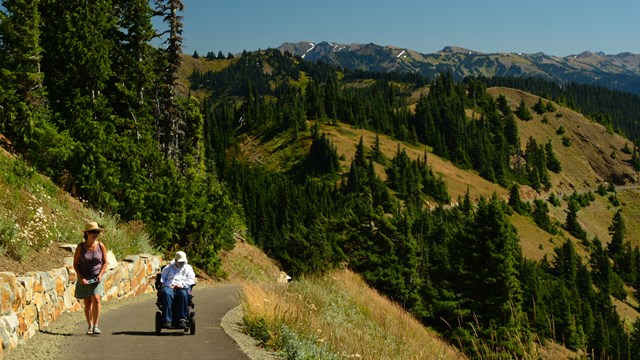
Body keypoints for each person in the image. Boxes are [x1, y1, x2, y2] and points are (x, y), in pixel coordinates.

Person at [73, 221, 108, 335]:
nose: (95, 234)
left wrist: (101, 274)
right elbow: (75, 264)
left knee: (96, 299)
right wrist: (81, 277)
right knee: (87, 302)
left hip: (96, 277)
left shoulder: (100, 245)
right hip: (85, 278)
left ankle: (96, 326)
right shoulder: (80, 247)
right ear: (87, 233)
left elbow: (105, 262)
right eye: (93, 232)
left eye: (97, 232)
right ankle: (90, 326)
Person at [159, 251, 196, 328]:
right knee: (166, 293)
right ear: (175, 261)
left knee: (182, 294)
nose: (181, 263)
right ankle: (167, 320)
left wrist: (182, 285)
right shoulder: (168, 268)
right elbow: (162, 278)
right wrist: (166, 285)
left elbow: (191, 280)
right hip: (169, 287)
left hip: (183, 287)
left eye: (183, 262)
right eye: (180, 262)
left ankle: (181, 319)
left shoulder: (188, 268)